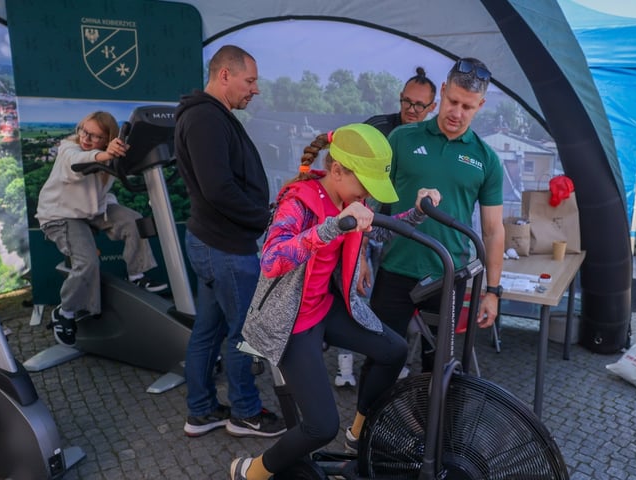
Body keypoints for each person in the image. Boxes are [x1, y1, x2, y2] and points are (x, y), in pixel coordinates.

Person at [231, 123, 439, 480]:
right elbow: (271, 259)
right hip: (291, 324)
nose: (369, 196)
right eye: (366, 185)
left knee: (394, 350)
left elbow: (381, 231)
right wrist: (332, 227)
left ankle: (358, 434)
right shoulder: (298, 202)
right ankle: (251, 472)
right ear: (338, 170)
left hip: (324, 308)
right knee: (320, 426)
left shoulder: (352, 200)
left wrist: (418, 212)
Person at [174, 45, 284, 439]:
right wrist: (266, 217)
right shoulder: (205, 118)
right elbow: (218, 188)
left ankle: (201, 412)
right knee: (244, 333)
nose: (254, 89)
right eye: (249, 80)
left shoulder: (212, 115)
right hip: (225, 248)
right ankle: (245, 412)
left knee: (208, 331)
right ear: (225, 75)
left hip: (215, 242)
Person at [369, 57, 505, 374]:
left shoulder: (487, 159)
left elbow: (493, 231)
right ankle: (368, 424)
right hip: (394, 270)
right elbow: (374, 207)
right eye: (453, 101)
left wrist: (492, 292)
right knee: (380, 361)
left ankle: (428, 424)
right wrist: (362, 258)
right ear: (442, 92)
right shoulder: (402, 139)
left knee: (439, 368)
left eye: (468, 107)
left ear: (481, 105)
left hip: (447, 277)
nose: (457, 113)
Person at [332, 66, 438, 387]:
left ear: (432, 107)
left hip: (400, 234)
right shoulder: (378, 127)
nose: (412, 109)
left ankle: (396, 361)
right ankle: (346, 369)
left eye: (420, 105)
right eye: (407, 101)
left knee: (396, 308)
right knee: (355, 296)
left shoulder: (431, 140)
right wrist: (362, 253)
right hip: (366, 229)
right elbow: (357, 198)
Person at [36, 111, 167, 347]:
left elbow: (114, 173)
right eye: (84, 131)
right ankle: (65, 313)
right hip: (62, 214)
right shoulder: (69, 147)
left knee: (133, 220)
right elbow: (75, 161)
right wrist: (104, 153)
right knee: (87, 262)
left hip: (92, 210)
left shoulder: (110, 154)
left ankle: (137, 275)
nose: (85, 138)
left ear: (107, 138)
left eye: (94, 136)